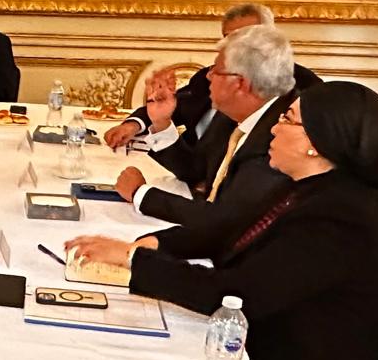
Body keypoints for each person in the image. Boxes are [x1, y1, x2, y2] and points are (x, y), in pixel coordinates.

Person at [65, 81, 378, 360]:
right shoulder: (314, 186)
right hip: (282, 350)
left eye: (287, 119)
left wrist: (133, 260)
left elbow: (234, 295)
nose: (273, 128)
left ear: (317, 144)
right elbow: (229, 229)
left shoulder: (339, 220)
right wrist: (155, 243)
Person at [117, 24, 301, 230]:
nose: (208, 76)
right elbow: (197, 171)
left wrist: (141, 194)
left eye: (217, 71)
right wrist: (161, 122)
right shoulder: (232, 116)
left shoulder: (284, 132)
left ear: (240, 83)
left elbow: (225, 219)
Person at [104, 3, 321, 150]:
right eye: (229, 37)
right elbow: (174, 108)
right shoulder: (209, 77)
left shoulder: (305, 89)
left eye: (245, 36)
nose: (235, 45)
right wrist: (134, 124)